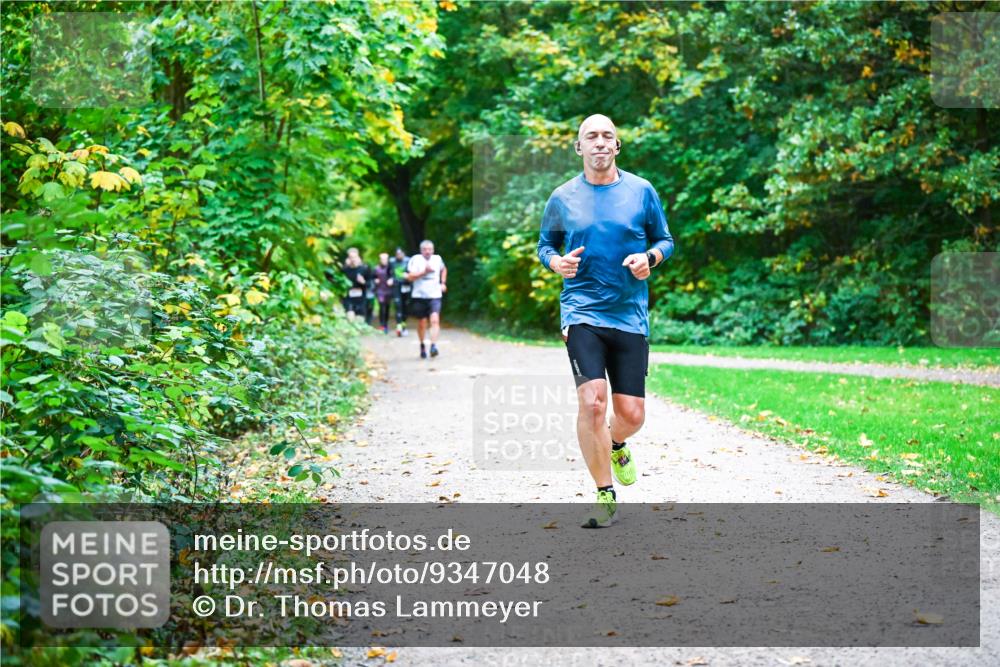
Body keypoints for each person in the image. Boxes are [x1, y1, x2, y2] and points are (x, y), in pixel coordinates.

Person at [536, 114, 674, 528]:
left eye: (607, 136)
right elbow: (545, 245)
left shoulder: (641, 191)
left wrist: (649, 259)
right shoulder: (562, 197)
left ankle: (617, 442)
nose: (599, 142)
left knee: (631, 415)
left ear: (617, 146)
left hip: (629, 314)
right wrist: (556, 262)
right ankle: (604, 494)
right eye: (590, 137)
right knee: (592, 402)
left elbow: (665, 240)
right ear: (579, 148)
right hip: (581, 311)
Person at [405, 240, 447, 359]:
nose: (428, 252)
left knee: (435, 320)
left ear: (433, 250)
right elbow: (409, 277)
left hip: (435, 295)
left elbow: (444, 269)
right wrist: (424, 272)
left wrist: (443, 282)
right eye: (425, 249)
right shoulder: (415, 259)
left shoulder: (437, 259)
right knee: (422, 323)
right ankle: (422, 345)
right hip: (419, 296)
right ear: (421, 250)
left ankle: (433, 346)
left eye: (430, 249)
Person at [341, 247, 370, 320]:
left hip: (361, 300)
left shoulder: (364, 269)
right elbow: (339, 284)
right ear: (348, 258)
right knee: (350, 319)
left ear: (358, 257)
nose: (353, 259)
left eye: (354, 257)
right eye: (351, 257)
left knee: (360, 321)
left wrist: (363, 282)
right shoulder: (344, 270)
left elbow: (370, 284)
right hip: (349, 299)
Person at [389, 247, 411, 337]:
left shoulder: (409, 261)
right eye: (397, 254)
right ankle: (399, 327)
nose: (399, 256)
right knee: (398, 306)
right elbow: (387, 272)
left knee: (405, 308)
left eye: (400, 254)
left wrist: (409, 276)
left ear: (404, 254)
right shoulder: (392, 262)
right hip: (396, 286)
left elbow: (414, 272)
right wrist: (389, 279)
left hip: (406, 286)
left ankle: (404, 326)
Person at [373, 252, 395, 334]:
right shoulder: (376, 268)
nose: (384, 260)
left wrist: (392, 280)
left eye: (385, 259)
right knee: (382, 307)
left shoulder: (390, 268)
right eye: (382, 259)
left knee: (387, 307)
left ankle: (385, 324)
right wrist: (375, 280)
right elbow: (372, 278)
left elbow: (394, 277)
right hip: (380, 290)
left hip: (388, 290)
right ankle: (382, 325)